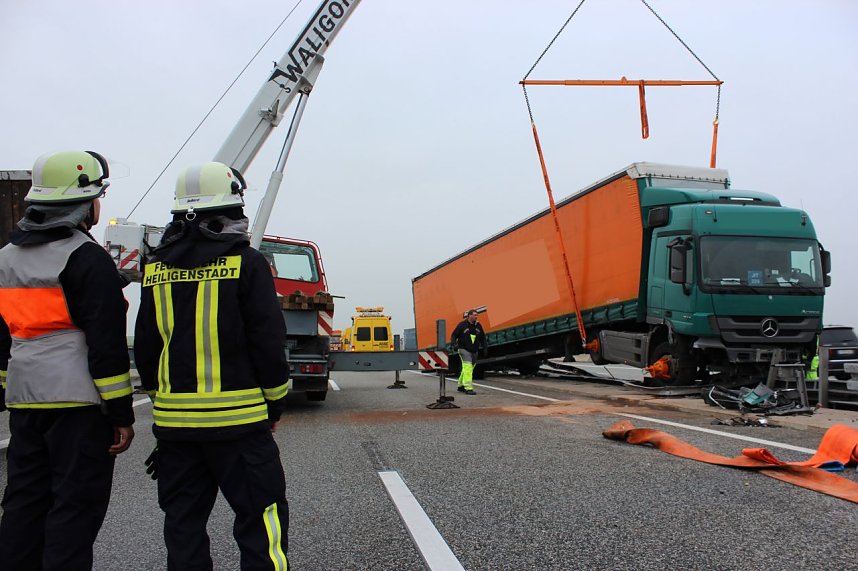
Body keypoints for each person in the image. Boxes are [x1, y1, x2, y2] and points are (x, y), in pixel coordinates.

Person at [134, 162, 290, 571]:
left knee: (183, 527)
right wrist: (274, 403)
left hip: (176, 432)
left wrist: (164, 403)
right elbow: (268, 343)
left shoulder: (155, 269)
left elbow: (147, 349)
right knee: (262, 524)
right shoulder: (248, 263)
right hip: (240, 428)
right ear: (234, 204)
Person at [0, 150, 135, 569]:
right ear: (85, 202)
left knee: (22, 507)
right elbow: (106, 345)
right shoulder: (86, 258)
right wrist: (120, 413)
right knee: (74, 512)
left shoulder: (4, 258)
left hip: (25, 403)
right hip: (79, 407)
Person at [451, 309, 487, 395]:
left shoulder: (478, 325)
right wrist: (454, 344)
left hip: (474, 350)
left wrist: (485, 348)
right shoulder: (462, 325)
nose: (476, 316)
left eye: (477, 315)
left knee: (469, 368)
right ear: (469, 316)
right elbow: (454, 335)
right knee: (467, 367)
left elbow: (483, 337)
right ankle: (468, 388)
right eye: (474, 315)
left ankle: (460, 385)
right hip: (463, 349)